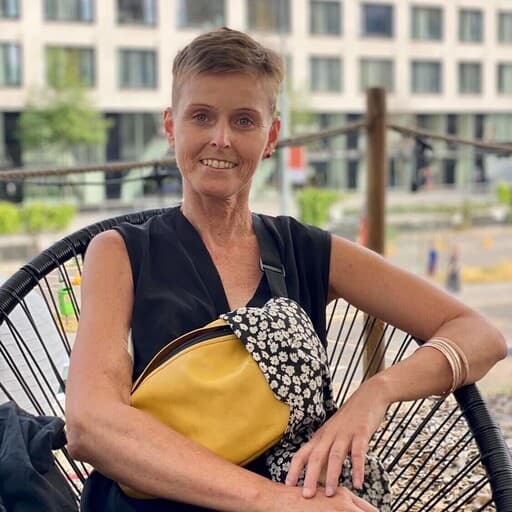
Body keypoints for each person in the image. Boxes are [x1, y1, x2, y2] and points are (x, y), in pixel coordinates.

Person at [65, 28, 507, 512]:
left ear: (271, 136)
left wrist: (375, 393)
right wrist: (277, 502)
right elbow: (91, 424)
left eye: (244, 120)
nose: (220, 138)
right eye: (201, 116)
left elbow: (480, 335)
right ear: (171, 127)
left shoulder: (307, 251)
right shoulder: (122, 253)